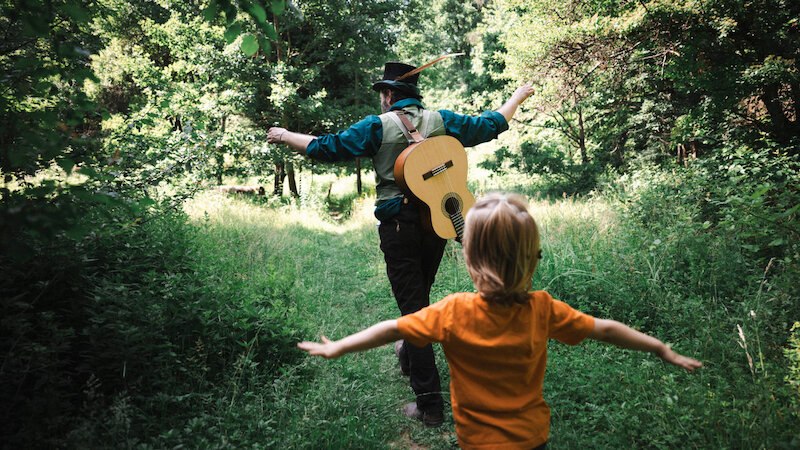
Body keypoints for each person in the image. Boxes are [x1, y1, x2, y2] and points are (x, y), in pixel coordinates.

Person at [297, 193, 703, 450]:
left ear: (470, 259)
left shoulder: (453, 311)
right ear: (533, 259)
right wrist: (659, 347)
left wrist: (339, 346)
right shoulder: (543, 309)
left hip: (478, 442)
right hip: (531, 438)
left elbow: (395, 328)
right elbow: (606, 329)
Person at [268, 61, 535, 426]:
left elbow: (324, 148)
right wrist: (517, 96)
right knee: (419, 298)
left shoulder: (377, 126)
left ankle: (430, 406)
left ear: (388, 94)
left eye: (382, 94)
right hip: (439, 220)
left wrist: (284, 135)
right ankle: (409, 359)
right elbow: (491, 124)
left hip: (399, 226)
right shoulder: (442, 121)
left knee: (415, 314)